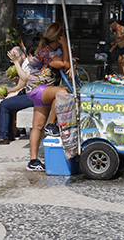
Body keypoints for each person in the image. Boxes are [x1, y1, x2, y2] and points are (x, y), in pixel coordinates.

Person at [24, 22, 71, 171]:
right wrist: (65, 45)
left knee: (37, 126)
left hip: (39, 89)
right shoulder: (47, 52)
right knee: (62, 93)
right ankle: (51, 125)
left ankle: (33, 161)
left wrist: (66, 52)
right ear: (58, 37)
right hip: (38, 88)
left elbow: (69, 62)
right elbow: (65, 64)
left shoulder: (51, 49)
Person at [0, 44, 37, 145]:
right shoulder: (35, 65)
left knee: (5, 104)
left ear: (26, 55)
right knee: (7, 103)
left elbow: (23, 81)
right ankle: (10, 133)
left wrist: (15, 62)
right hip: (33, 94)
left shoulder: (30, 66)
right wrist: (14, 82)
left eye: (15, 56)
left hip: (35, 96)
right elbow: (22, 84)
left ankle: (4, 136)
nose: (13, 59)